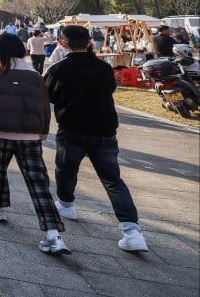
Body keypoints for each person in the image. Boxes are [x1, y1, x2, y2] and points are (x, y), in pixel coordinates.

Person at [44, 25, 148, 252]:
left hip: (73, 128)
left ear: (63, 43)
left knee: (66, 168)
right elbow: (110, 89)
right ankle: (132, 230)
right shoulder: (103, 67)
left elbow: (48, 95)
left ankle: (66, 203)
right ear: (89, 42)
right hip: (105, 129)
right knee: (113, 180)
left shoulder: (59, 68)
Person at [0, 34, 69, 254]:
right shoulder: (34, 76)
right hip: (30, 136)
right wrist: (42, 131)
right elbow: (43, 106)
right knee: (38, 183)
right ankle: (53, 234)